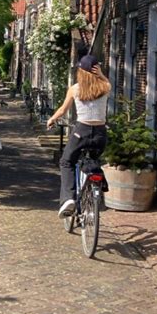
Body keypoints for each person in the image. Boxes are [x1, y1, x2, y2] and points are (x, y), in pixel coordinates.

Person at [47, 54, 111, 217]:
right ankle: (93, 186)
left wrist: (52, 119)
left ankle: (68, 198)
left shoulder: (75, 89)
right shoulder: (105, 87)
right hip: (100, 134)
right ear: (96, 70)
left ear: (81, 71)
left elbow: (63, 110)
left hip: (81, 132)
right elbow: (107, 82)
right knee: (94, 159)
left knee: (67, 161)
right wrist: (101, 74)